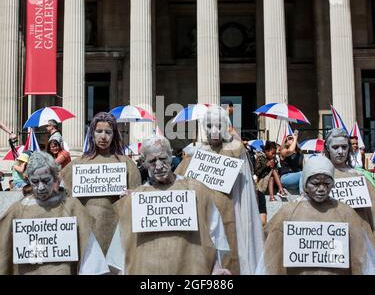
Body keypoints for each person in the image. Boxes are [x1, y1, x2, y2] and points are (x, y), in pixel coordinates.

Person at [106, 135, 231, 275]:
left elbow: (214, 232)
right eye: (152, 161)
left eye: (163, 158)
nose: (159, 166)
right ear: (144, 163)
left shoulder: (195, 190)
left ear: (171, 157)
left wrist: (216, 267)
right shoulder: (137, 198)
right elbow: (122, 245)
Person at [175, 106, 264, 275]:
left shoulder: (235, 151)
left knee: (229, 261)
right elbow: (177, 181)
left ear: (226, 125)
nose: (214, 131)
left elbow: (244, 189)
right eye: (209, 126)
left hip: (229, 214)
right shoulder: (196, 153)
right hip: (203, 217)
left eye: (218, 125)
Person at [257, 155, 375, 275]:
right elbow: (270, 248)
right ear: (305, 183)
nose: (321, 189)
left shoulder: (345, 212)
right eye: (315, 183)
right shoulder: (289, 212)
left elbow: (361, 256)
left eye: (327, 183)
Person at [0, 152, 109, 275]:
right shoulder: (18, 210)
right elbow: (3, 251)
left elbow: (90, 254)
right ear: (28, 180)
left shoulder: (72, 207)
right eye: (35, 181)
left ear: (55, 178)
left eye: (46, 180)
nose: (41, 187)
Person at [61, 112, 141, 256]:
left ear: (114, 135)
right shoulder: (77, 164)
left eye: (108, 132)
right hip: (86, 231)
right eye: (99, 131)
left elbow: (139, 200)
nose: (103, 136)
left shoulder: (126, 164)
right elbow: (61, 196)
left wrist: (132, 195)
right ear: (92, 133)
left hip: (116, 232)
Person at [324, 128, 375, 233]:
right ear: (328, 148)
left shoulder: (360, 176)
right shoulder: (317, 176)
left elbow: (372, 211)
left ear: (349, 148)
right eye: (335, 147)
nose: (340, 151)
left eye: (344, 147)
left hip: (358, 234)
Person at [279, 130, 303, 194]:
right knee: (303, 173)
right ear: (285, 142)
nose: (292, 139)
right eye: (289, 138)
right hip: (286, 178)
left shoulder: (299, 154)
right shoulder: (283, 151)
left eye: (292, 138)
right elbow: (290, 151)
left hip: (297, 178)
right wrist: (295, 138)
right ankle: (303, 195)